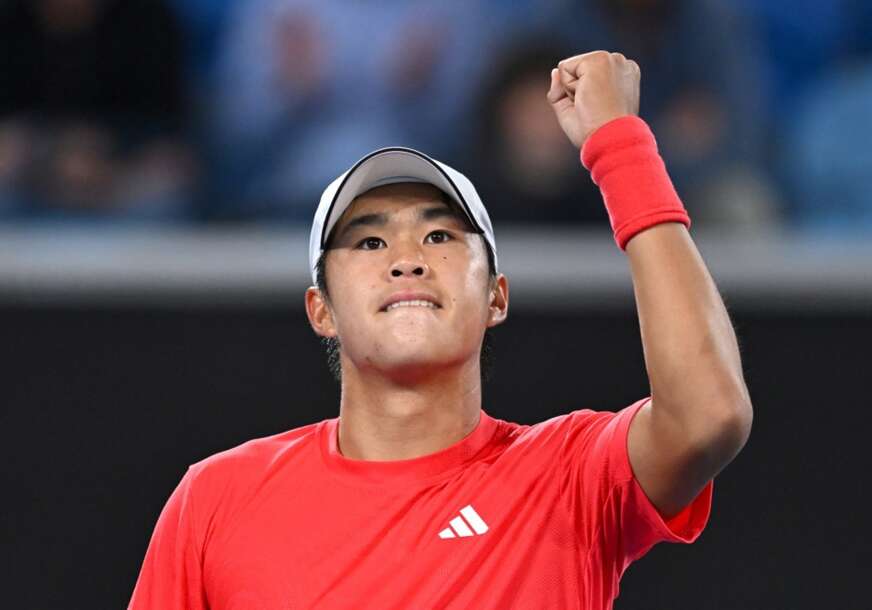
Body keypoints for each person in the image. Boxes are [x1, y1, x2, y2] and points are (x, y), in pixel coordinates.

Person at [128, 51, 753, 609]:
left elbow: (708, 415)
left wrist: (620, 146)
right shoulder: (216, 500)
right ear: (322, 310)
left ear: (495, 296)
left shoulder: (570, 477)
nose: (407, 259)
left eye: (438, 236)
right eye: (370, 241)